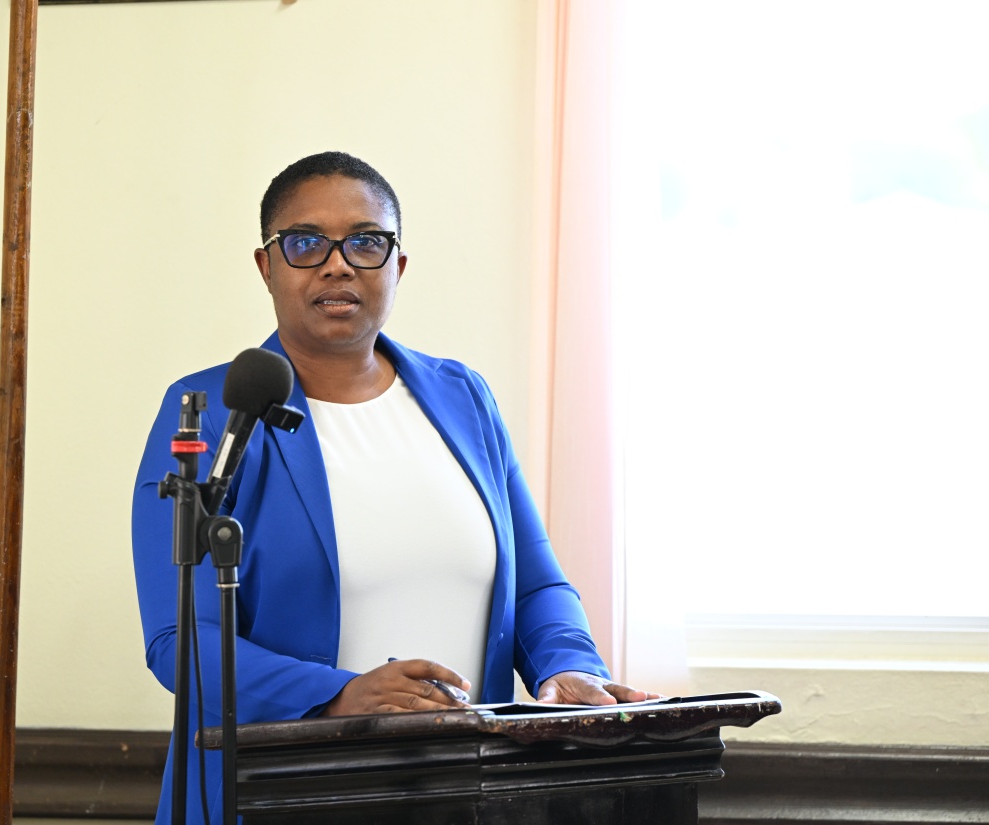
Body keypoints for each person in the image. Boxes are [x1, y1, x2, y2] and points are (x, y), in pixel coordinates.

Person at [131, 151, 659, 824]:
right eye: (305, 243)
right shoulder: (213, 412)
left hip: (464, 792)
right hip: (277, 794)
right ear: (266, 266)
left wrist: (565, 664)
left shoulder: (462, 397)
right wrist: (340, 695)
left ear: (397, 266)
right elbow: (180, 639)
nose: (338, 264)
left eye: (366, 242)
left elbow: (534, 585)